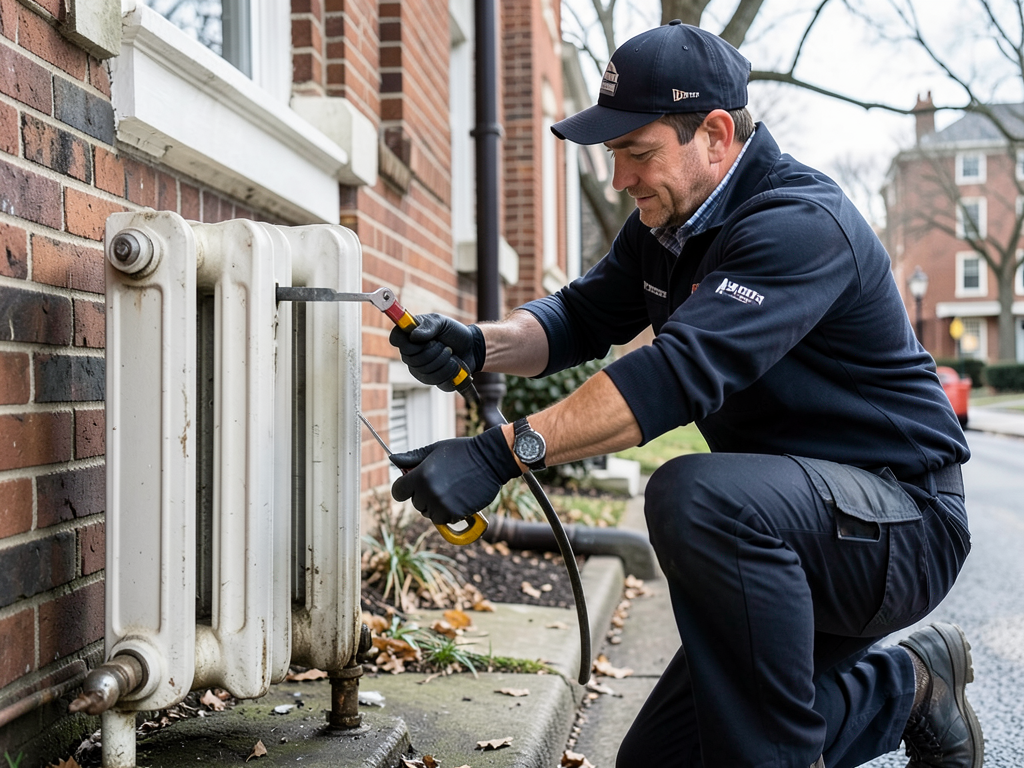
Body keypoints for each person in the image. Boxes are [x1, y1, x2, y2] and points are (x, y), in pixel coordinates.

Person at [387, 21, 980, 768]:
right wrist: (477, 343)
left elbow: (676, 374)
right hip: (785, 528)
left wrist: (502, 454)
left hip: (898, 525)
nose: (620, 178)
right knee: (663, 760)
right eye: (613, 156)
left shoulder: (799, 223)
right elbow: (577, 317)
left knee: (695, 495)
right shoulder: (665, 226)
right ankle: (913, 686)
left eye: (637, 153)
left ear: (716, 134)